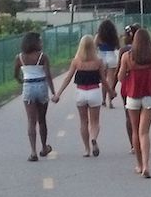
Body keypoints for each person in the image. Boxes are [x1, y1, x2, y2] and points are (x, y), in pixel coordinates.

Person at [55, 35, 114, 158]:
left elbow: (68, 78)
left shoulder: (76, 61)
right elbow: (104, 80)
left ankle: (87, 149)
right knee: (95, 122)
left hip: (81, 92)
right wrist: (110, 92)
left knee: (83, 122)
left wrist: (58, 94)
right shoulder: (98, 62)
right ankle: (94, 138)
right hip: (94, 92)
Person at [117, 28, 151, 178]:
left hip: (133, 96)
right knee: (144, 132)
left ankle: (139, 165)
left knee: (136, 131)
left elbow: (120, 78)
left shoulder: (127, 56)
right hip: (150, 95)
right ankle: (147, 166)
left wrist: (128, 72)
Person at [13, 32, 57, 162]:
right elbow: (48, 75)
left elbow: (15, 75)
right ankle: (44, 147)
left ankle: (33, 152)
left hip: (28, 86)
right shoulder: (42, 57)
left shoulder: (19, 57)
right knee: (42, 120)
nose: (41, 43)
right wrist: (53, 92)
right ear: (35, 43)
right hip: (41, 86)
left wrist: (21, 81)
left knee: (31, 121)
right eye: (40, 41)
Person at [116, 23, 141, 153]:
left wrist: (112, 88)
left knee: (129, 116)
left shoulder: (124, 51)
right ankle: (142, 140)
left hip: (127, 86)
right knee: (142, 116)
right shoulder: (146, 49)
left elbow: (118, 71)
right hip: (143, 85)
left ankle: (133, 144)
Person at [94, 19, 121, 108]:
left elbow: (94, 46)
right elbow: (118, 47)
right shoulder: (114, 36)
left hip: (102, 57)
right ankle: (110, 102)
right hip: (111, 56)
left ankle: (103, 100)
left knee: (103, 80)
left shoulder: (99, 36)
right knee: (111, 80)